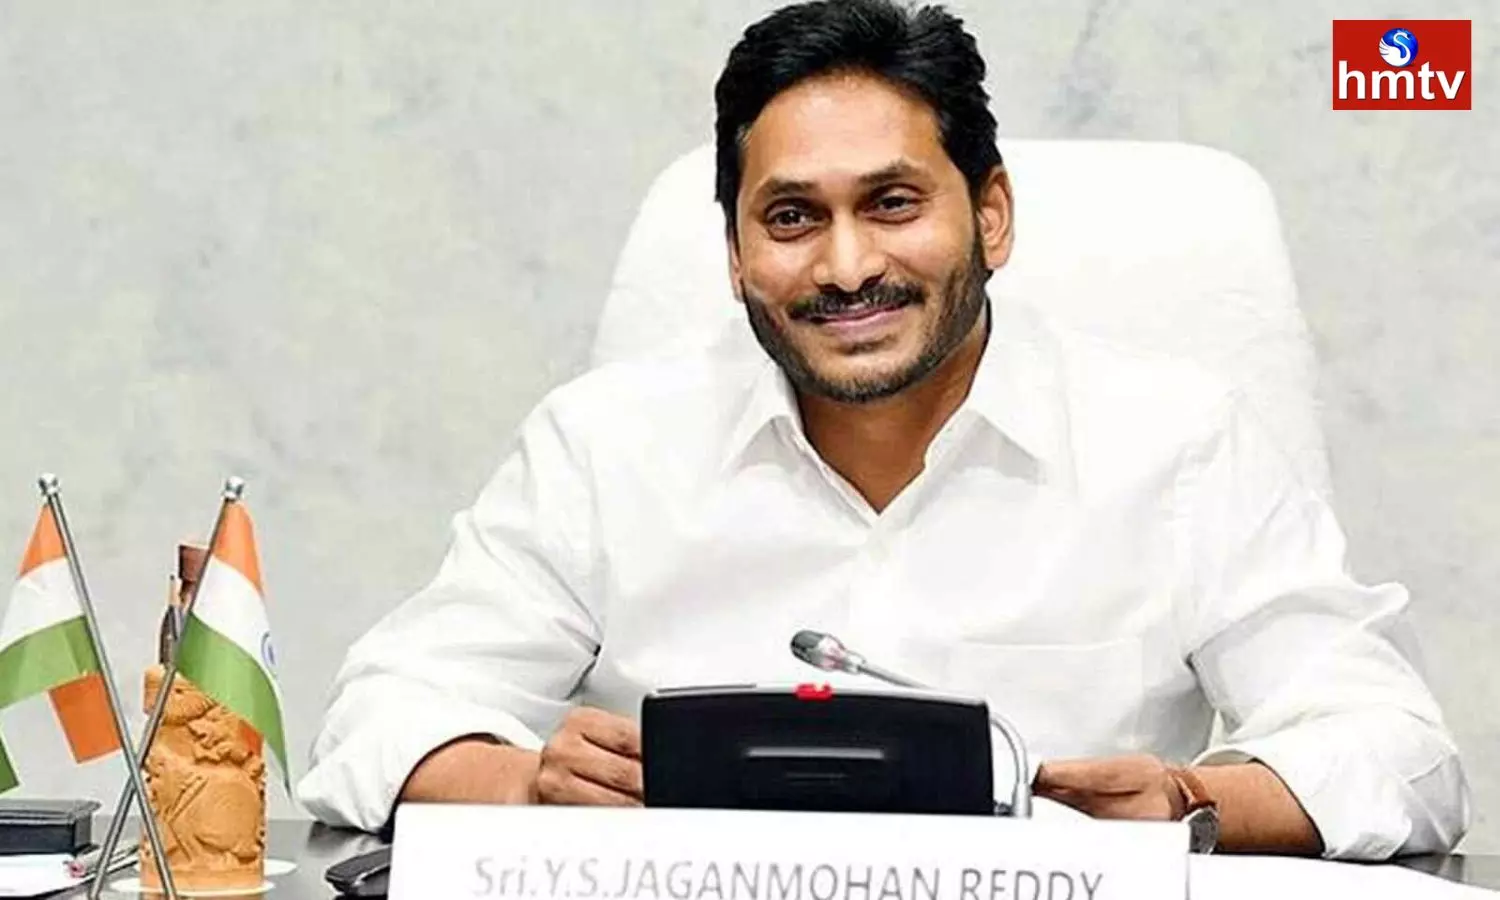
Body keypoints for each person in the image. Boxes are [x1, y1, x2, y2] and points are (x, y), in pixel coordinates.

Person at [297, 0, 1469, 859]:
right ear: (735, 254)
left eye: (893, 204)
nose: (847, 265)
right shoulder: (605, 445)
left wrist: (1189, 801)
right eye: (792, 218)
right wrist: (527, 786)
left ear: (991, 215)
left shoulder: (1176, 444)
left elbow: (1399, 752)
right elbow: (377, 719)